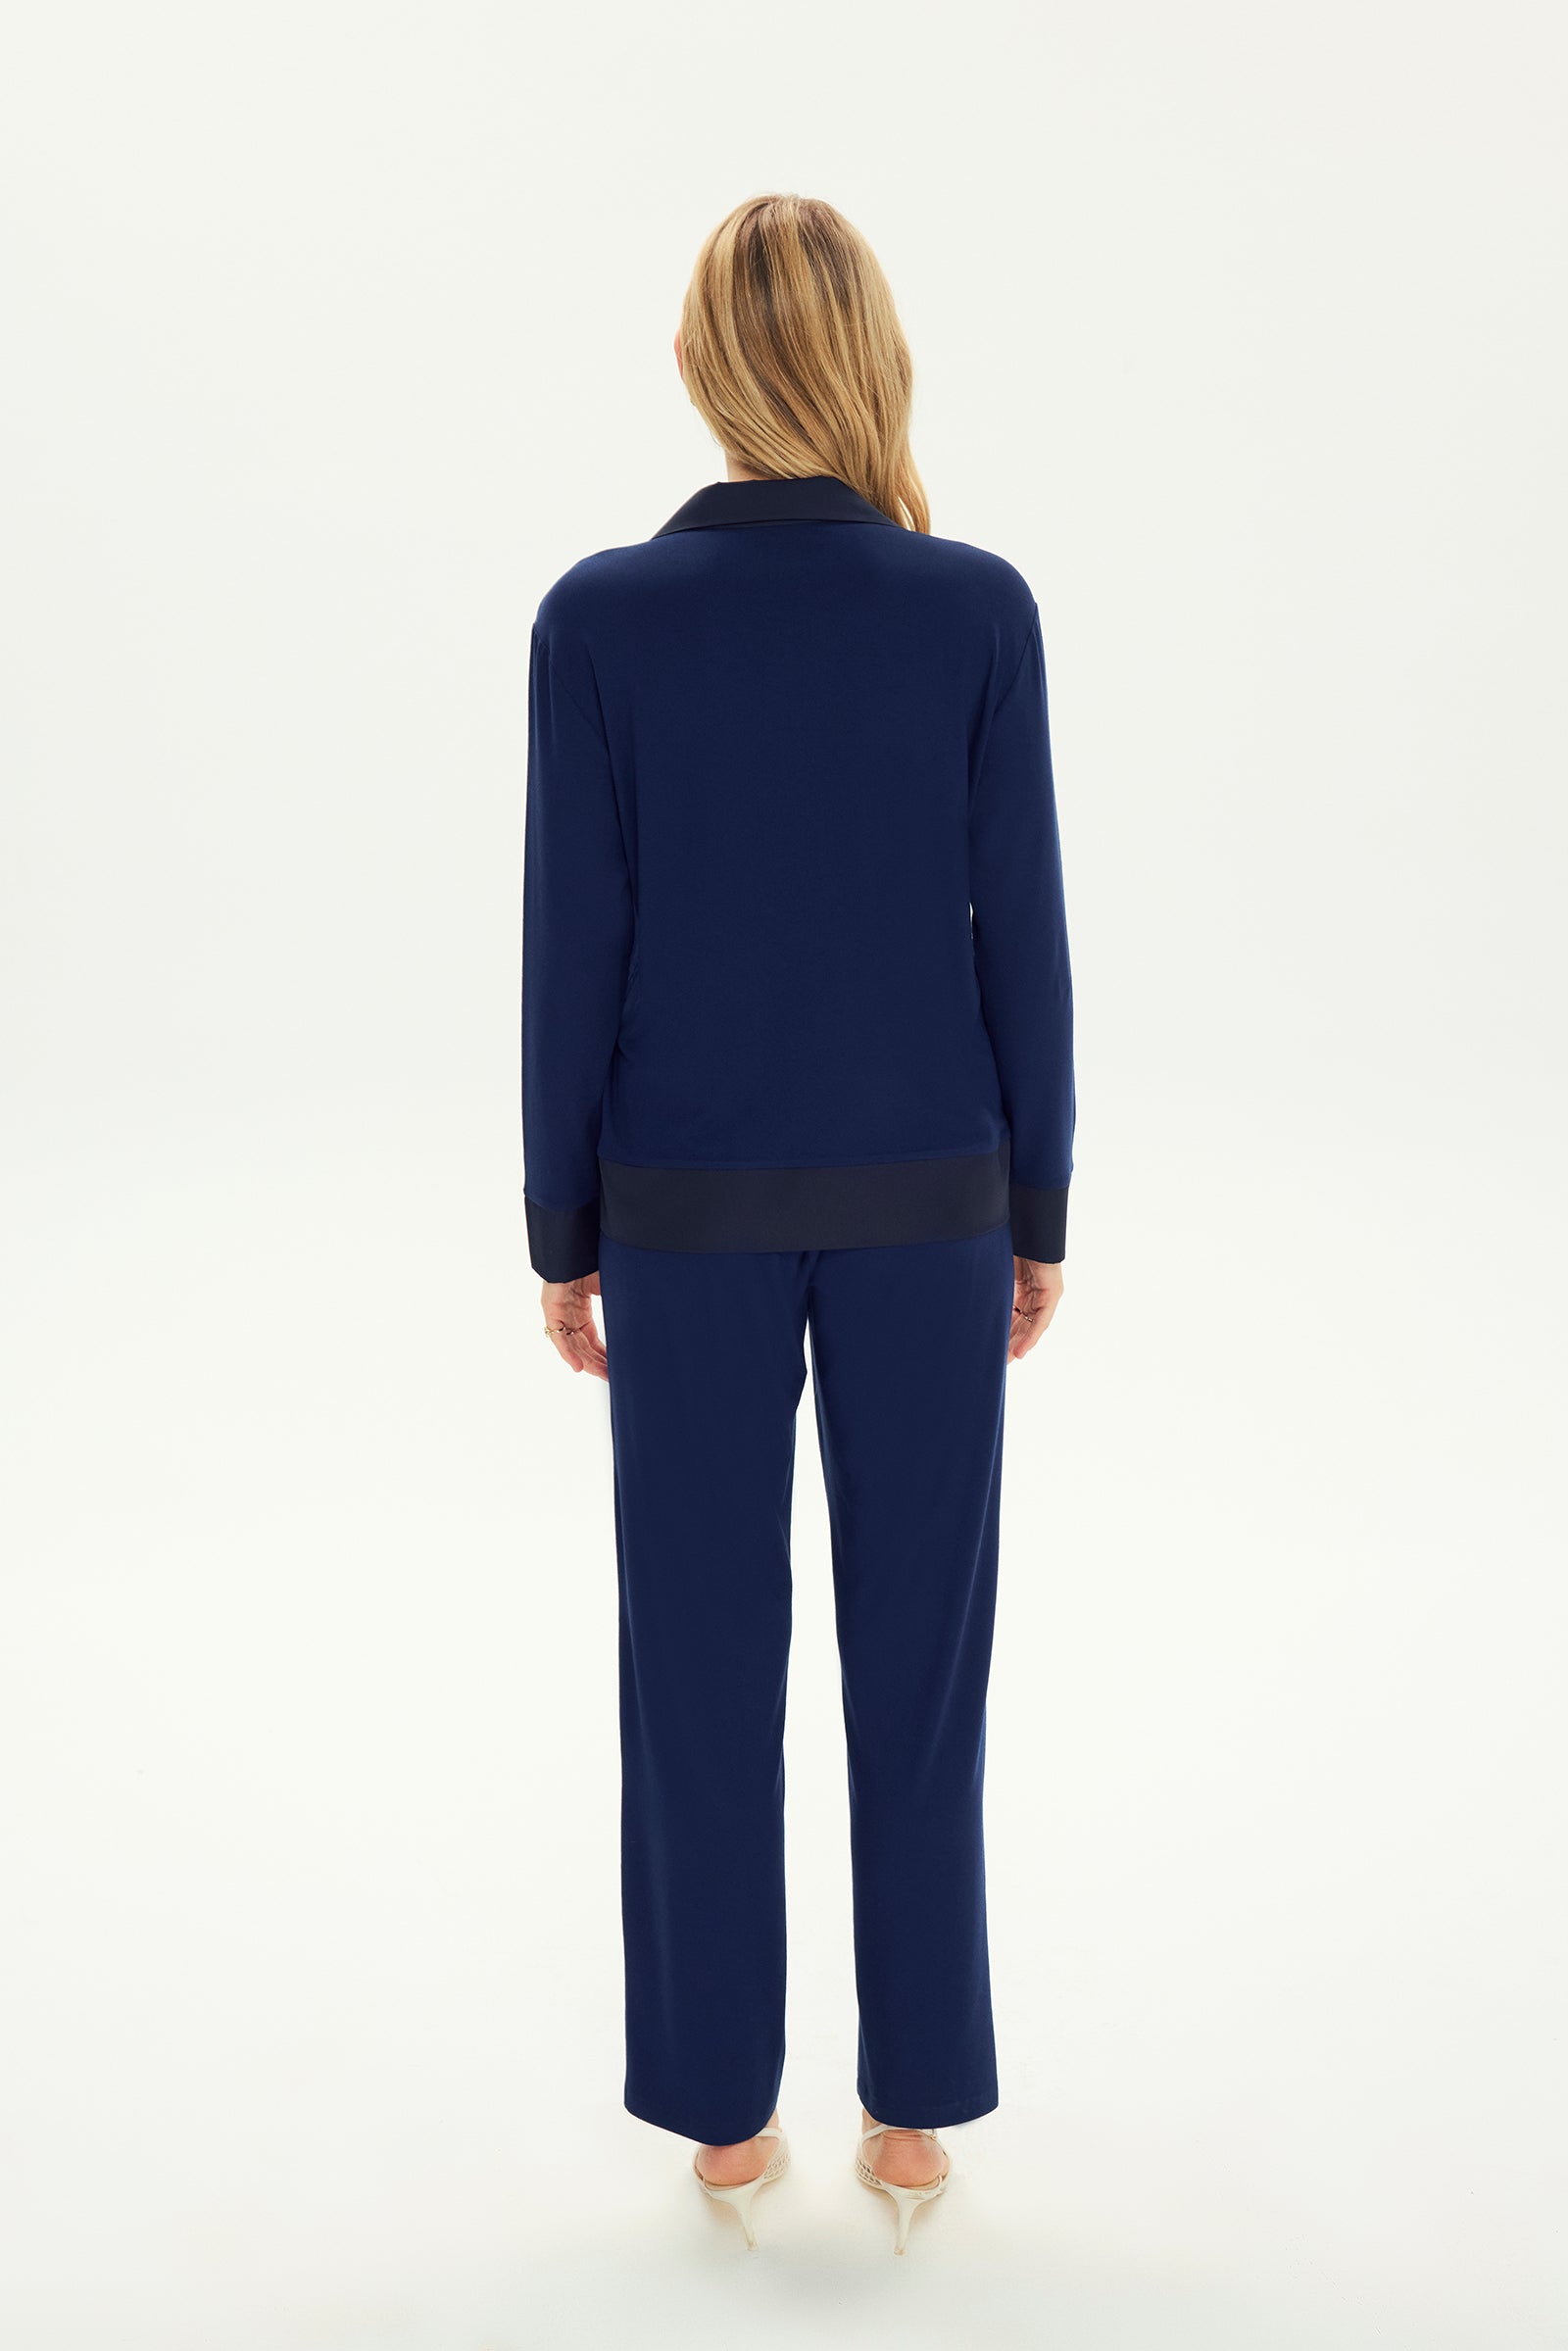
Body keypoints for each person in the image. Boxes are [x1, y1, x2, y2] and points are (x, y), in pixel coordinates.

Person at [520, 192, 1074, 2254]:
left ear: (694, 366)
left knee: (695, 1663)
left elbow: (573, 942)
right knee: (919, 1667)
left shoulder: (600, 618)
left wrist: (560, 1223)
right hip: (933, 1203)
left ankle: (724, 2122)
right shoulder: (972, 608)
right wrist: (1036, 1201)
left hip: (679, 1214)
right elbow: (1022, 932)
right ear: (872, 355)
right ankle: (912, 2116)